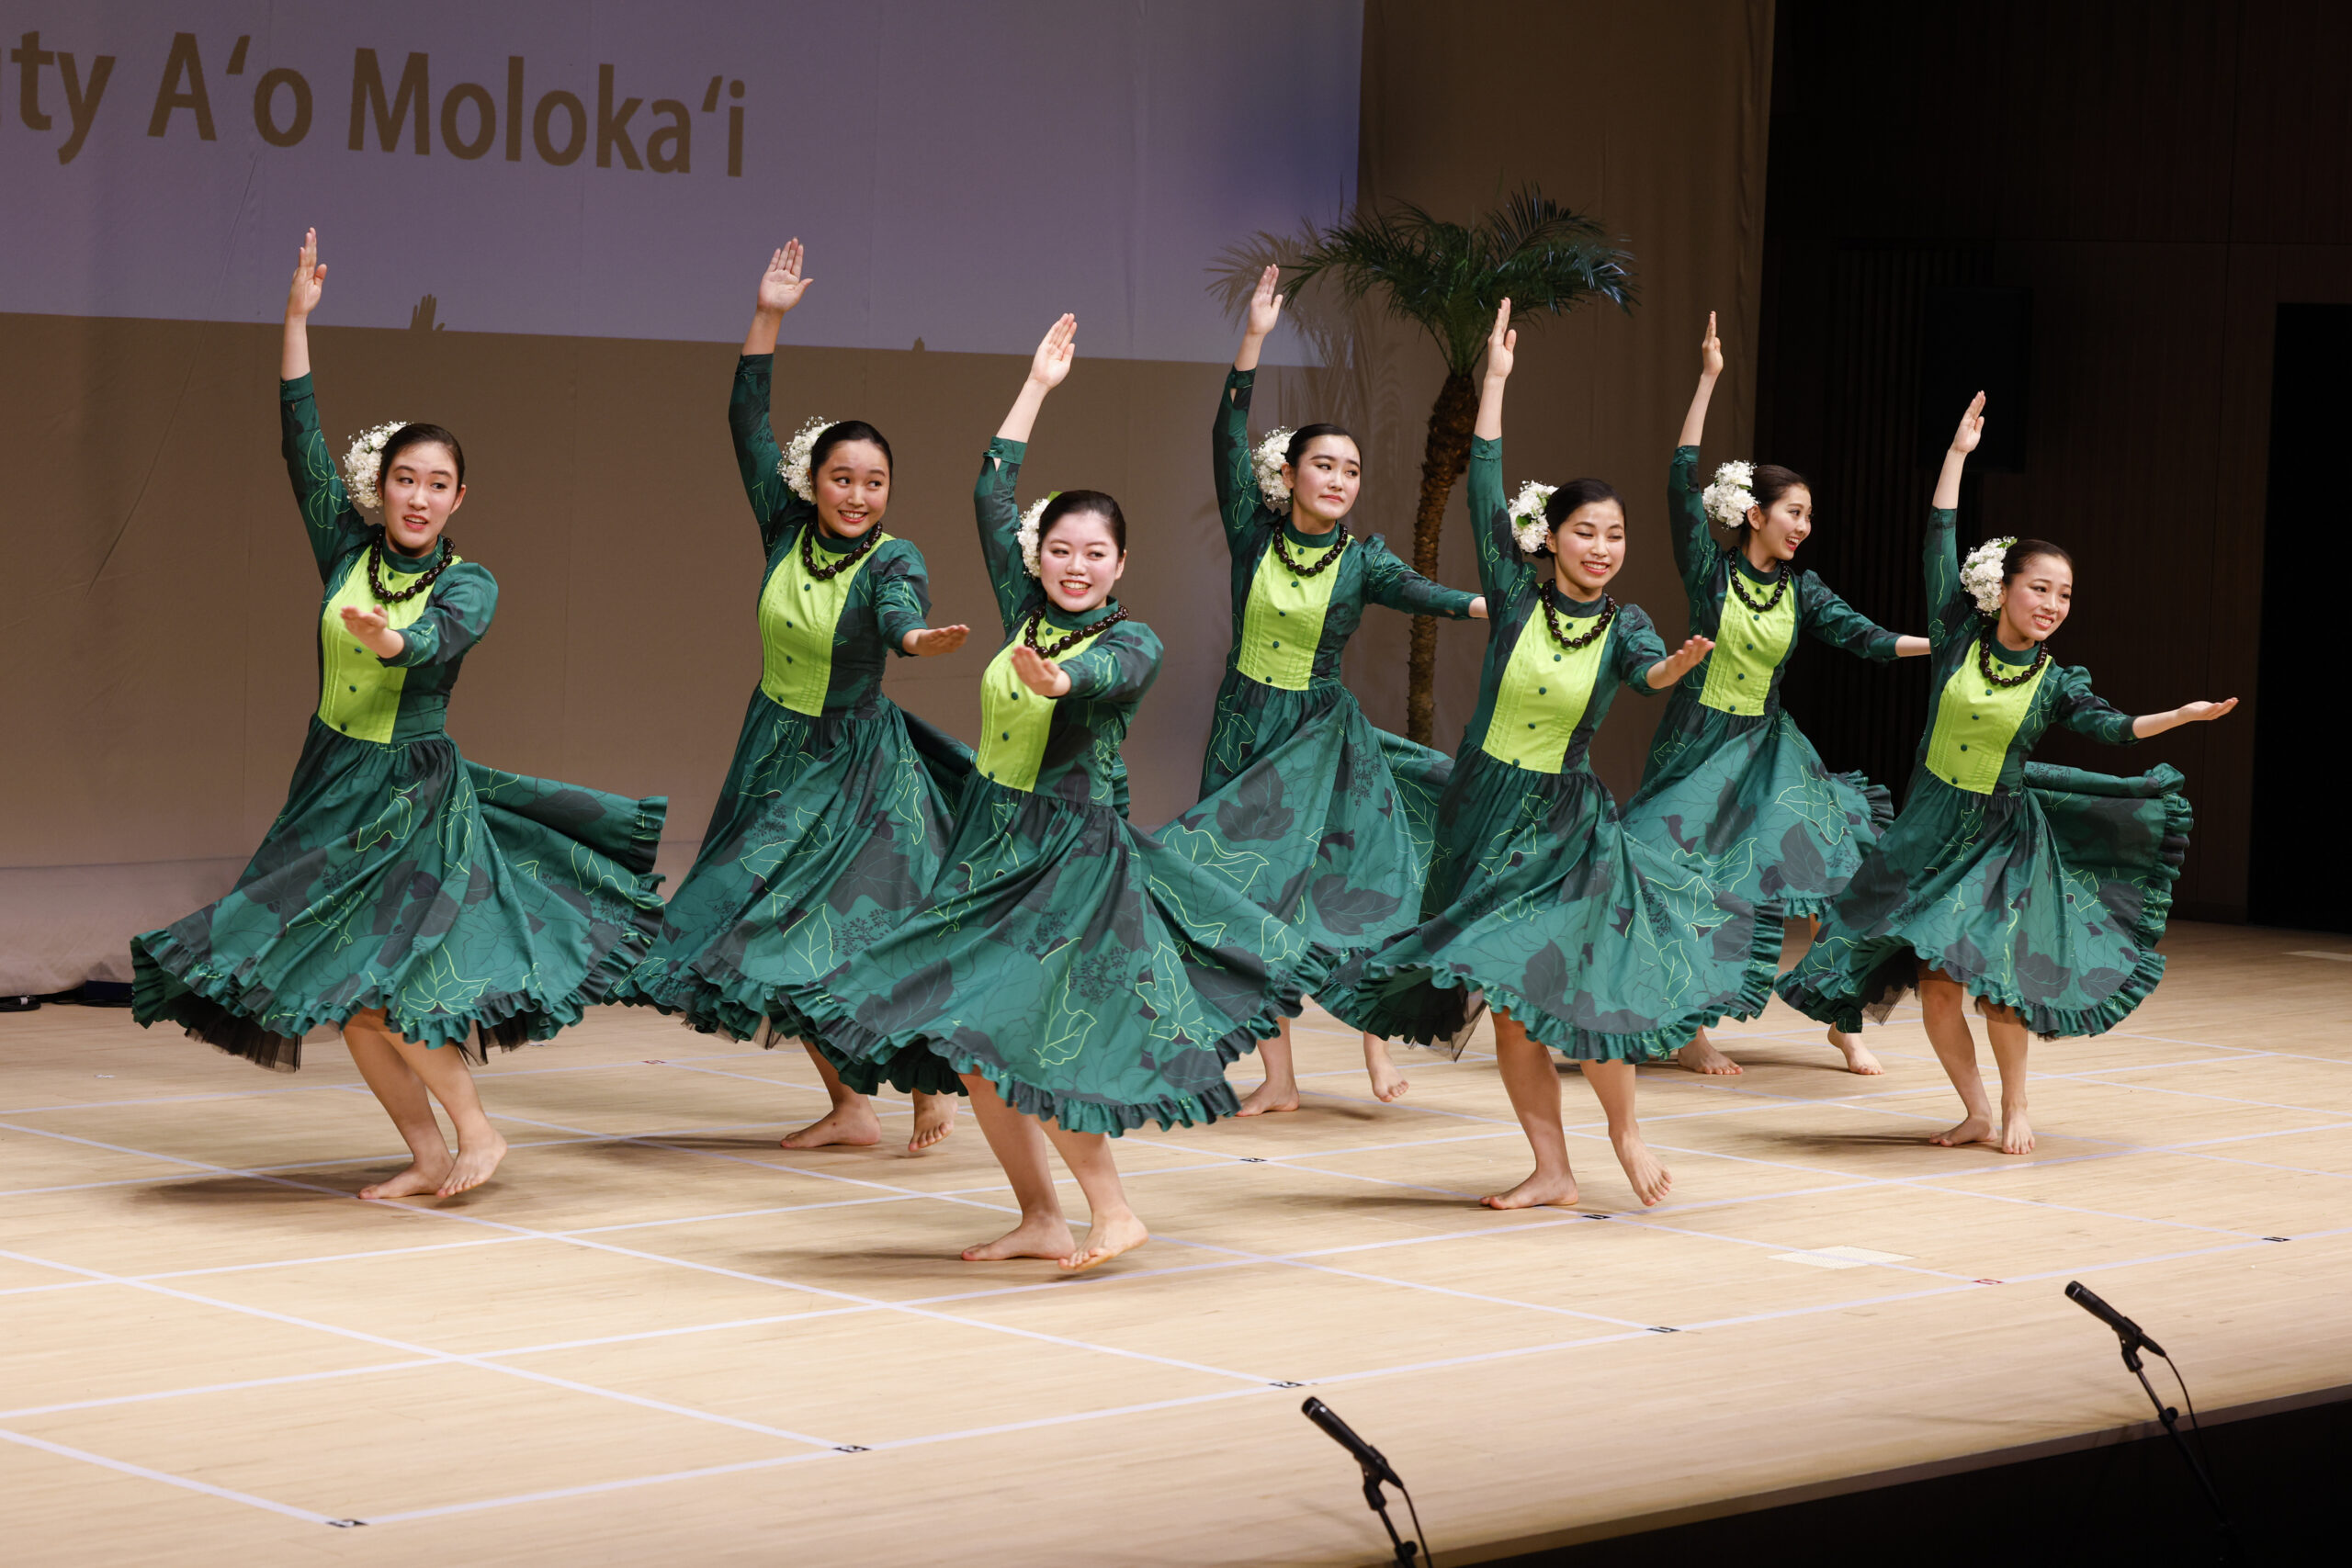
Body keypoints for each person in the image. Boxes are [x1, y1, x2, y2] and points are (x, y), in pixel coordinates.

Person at [130, 230, 668, 1200]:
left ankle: (478, 1133)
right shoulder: (345, 549)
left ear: (460, 497)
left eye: (437, 484)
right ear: (378, 488)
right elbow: (297, 436)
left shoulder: (471, 582)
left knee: (387, 985)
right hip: (329, 782)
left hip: (410, 797)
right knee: (349, 1000)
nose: (418, 497)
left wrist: (393, 640)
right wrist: (295, 318)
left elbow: (436, 640)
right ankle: (429, 1153)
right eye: (404, 480)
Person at [802, 317, 1326, 1270]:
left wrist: (1061, 681)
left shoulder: (1130, 641)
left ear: (1120, 565)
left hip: (1070, 856)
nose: (1075, 566)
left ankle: (1112, 1211)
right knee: (971, 1045)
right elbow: (988, 490)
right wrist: (1037, 386)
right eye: (1060, 550)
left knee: (1027, 1037)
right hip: (989, 845)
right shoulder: (1024, 613)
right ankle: (1041, 1215)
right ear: (1037, 555)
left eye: (1094, 554)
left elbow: (1107, 678)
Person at [1322, 302, 1768, 1210]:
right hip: (1484, 813)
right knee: (1511, 1009)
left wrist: (1674, 668)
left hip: (1565, 825)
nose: (1602, 548)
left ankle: (1625, 1132)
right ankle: (1552, 1168)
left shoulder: (1627, 624)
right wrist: (1494, 381)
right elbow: (1484, 482)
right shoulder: (1516, 598)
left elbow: (1645, 676)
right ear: (1552, 538)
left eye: (1615, 535)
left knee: (1584, 988)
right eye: (1586, 532)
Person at [1778, 393, 2235, 1154]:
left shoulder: (2056, 680)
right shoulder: (1957, 635)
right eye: (2040, 587)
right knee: (1937, 989)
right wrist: (1957, 455)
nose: (2052, 603)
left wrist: (2178, 716)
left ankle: (2019, 1105)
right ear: (2004, 589)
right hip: (1930, 830)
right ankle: (1976, 1111)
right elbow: (1938, 534)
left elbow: (2114, 727)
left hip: (2001, 839)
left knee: (1995, 983)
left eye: (2064, 593)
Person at [614, 240, 971, 1156]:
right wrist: (767, 317)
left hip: (858, 767)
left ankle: (928, 1081)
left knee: (872, 931)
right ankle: (851, 1105)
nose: (857, 494)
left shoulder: (894, 559)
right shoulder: (783, 530)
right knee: (763, 929)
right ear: (813, 483)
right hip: (774, 753)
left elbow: (898, 613)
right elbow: (746, 420)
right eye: (842, 478)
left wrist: (915, 640)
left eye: (874, 483)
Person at [1172, 264, 1487, 1112]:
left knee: (1352, 886)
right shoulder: (1252, 533)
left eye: (1351, 469)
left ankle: (1376, 1043)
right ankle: (1278, 1077)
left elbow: (1428, 593)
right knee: (1248, 898)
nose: (1341, 480)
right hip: (1246, 731)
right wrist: (1253, 339)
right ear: (1290, 475)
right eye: (1325, 465)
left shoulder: (1363, 561)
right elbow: (1224, 433)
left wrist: (1489, 604)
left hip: (1321, 737)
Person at [1623, 312, 1928, 1077]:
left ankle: (1843, 1018)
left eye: (1810, 516)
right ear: (1754, 514)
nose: (1805, 526)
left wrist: (1939, 644)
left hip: (1769, 750)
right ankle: (1690, 1029)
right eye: (1795, 512)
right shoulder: (1710, 573)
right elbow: (1677, 482)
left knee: (1842, 873)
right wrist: (1708, 381)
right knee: (1690, 878)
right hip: (1700, 745)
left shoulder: (1804, 590)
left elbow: (1865, 636)